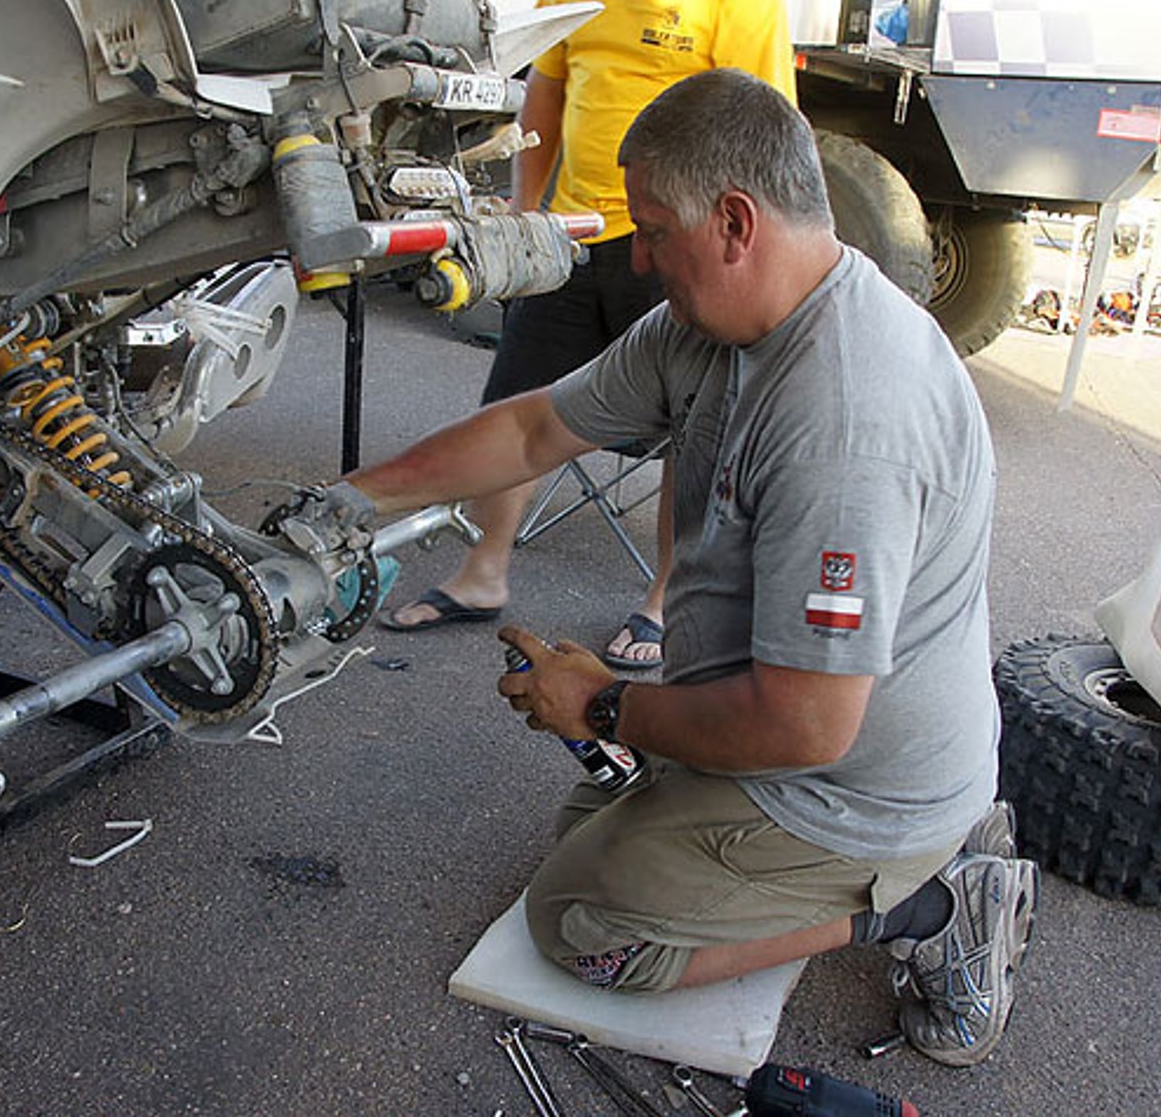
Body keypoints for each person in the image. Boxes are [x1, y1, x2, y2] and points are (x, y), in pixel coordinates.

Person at [322, 70, 1037, 1066]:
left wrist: (606, 704)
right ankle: (745, 831)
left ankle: (929, 902)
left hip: (848, 788)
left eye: (655, 229)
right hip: (784, 725)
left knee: (580, 921)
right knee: (592, 817)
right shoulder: (717, 328)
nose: (641, 258)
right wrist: (347, 504)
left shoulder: (845, 419)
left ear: (735, 221)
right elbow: (535, 425)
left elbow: (804, 724)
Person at [378, 0, 795, 674]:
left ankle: (665, 597)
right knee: (519, 398)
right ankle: (482, 572)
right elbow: (550, 83)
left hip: (677, 237)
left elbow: (761, 129)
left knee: (693, 428)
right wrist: (525, 207)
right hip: (571, 228)